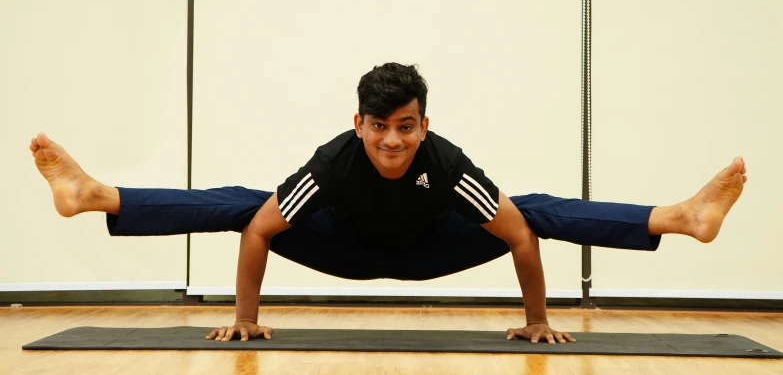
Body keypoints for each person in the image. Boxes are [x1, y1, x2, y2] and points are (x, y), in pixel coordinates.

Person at [30, 63, 747, 345]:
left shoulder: (446, 162)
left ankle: (680, 218)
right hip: (341, 250)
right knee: (250, 203)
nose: (392, 141)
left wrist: (538, 322)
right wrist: (244, 319)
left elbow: (521, 237)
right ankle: (96, 195)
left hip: (434, 251)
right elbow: (258, 230)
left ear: (422, 125)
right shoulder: (334, 161)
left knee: (529, 208)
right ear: (358, 126)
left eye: (406, 126)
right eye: (379, 127)